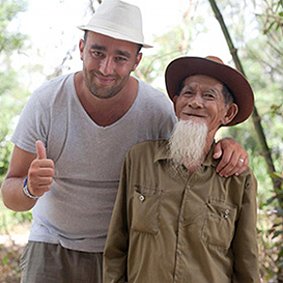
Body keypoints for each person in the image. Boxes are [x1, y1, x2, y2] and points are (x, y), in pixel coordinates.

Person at [1, 0, 248, 281]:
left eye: (120, 58)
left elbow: (195, 150)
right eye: (97, 52)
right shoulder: (46, 102)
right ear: (81, 49)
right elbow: (11, 194)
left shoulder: (157, 112)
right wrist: (30, 188)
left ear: (136, 61)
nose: (106, 68)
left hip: (123, 253)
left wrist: (226, 147)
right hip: (51, 246)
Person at [103, 55, 260, 283]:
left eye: (209, 96)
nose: (195, 102)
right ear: (176, 103)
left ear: (228, 112)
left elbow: (247, 261)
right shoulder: (139, 160)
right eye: (188, 93)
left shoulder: (238, 178)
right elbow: (117, 246)